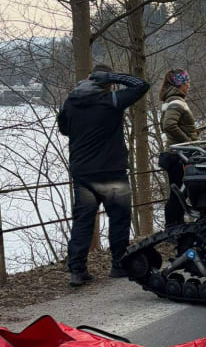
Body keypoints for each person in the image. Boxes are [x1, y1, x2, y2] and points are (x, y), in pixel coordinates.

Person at [57, 64, 150, 286]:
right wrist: (111, 77)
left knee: (83, 221)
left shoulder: (71, 102)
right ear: (107, 83)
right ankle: (118, 264)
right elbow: (141, 85)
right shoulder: (112, 101)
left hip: (83, 173)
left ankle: (77, 270)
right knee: (118, 218)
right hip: (112, 171)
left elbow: (64, 129)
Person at [158, 69, 198, 228]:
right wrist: (187, 142)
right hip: (178, 155)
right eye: (187, 82)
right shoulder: (176, 101)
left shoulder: (170, 100)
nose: (189, 86)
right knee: (179, 192)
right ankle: (173, 226)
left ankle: (176, 224)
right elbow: (168, 125)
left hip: (174, 153)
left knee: (178, 191)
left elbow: (172, 125)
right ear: (180, 84)